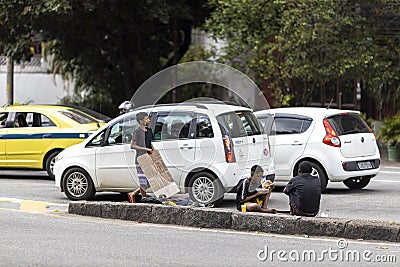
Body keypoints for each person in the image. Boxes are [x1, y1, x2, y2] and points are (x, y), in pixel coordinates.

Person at [127, 112, 154, 203]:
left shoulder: (149, 131)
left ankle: (133, 194)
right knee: (143, 181)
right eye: (147, 119)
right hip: (140, 159)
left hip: (148, 158)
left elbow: (149, 143)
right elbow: (133, 146)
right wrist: (145, 148)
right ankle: (144, 199)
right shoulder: (137, 132)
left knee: (151, 181)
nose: (149, 120)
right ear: (141, 121)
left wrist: (153, 150)